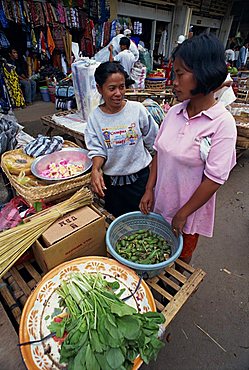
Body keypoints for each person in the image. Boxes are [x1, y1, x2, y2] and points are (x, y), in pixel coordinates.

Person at [139, 33, 237, 264]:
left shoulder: (222, 123)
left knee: (180, 259)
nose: (173, 81)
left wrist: (182, 214)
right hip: (161, 203)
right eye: (174, 74)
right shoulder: (174, 112)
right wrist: (149, 188)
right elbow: (159, 153)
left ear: (204, 73)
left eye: (180, 74)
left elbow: (214, 179)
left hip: (188, 213)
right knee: (154, 253)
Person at [84, 61, 158, 217]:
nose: (118, 93)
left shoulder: (137, 110)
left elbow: (154, 143)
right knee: (117, 222)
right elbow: (97, 149)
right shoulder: (95, 118)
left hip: (140, 182)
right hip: (112, 186)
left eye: (122, 87)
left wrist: (151, 184)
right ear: (99, 89)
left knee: (143, 221)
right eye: (112, 88)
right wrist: (96, 169)